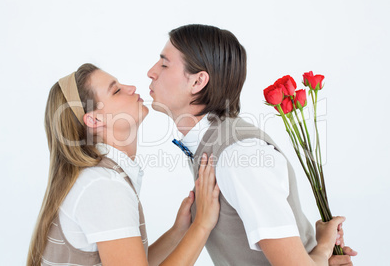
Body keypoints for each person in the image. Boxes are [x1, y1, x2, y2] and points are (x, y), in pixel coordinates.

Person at [147, 24, 358, 265]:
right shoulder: (211, 145)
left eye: (164, 64)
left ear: (198, 82)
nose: (151, 72)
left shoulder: (240, 155)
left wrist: (322, 249)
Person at [27, 63, 221, 266]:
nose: (131, 88)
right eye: (116, 90)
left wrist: (179, 231)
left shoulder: (99, 178)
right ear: (94, 120)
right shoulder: (103, 186)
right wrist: (202, 226)